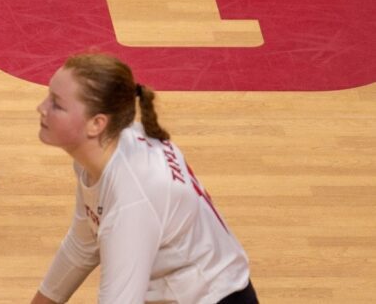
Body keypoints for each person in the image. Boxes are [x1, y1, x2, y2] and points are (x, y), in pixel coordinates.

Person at [32, 53, 257, 304]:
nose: (41, 108)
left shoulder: (131, 200)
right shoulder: (104, 152)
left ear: (96, 124)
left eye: (57, 104)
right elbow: (82, 246)